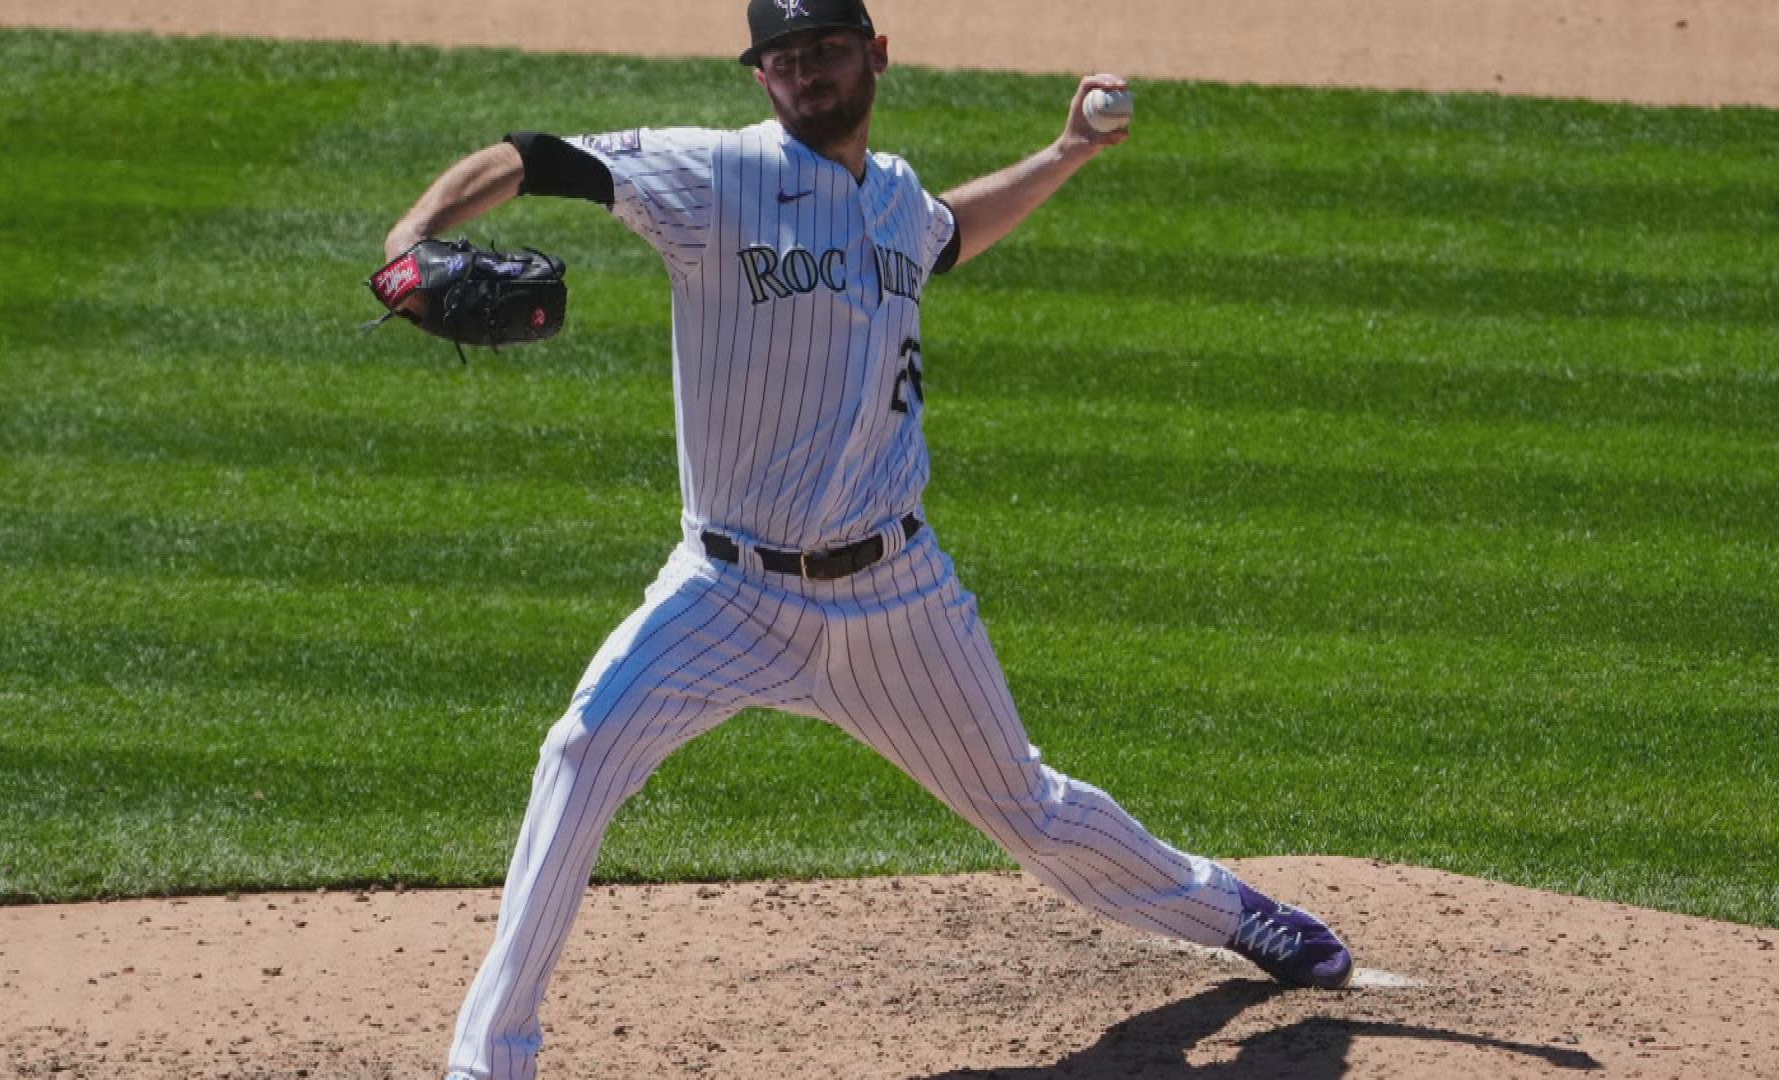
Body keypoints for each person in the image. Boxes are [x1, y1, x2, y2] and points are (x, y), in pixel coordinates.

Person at [384, 3, 1354, 1077]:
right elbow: (526, 159)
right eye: (784, 60)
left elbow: (948, 235)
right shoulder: (711, 178)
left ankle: (1234, 913)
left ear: (875, 56)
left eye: (826, 52)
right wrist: (406, 242)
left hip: (898, 597)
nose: (806, 76)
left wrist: (1066, 152)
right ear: (759, 76)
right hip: (725, 592)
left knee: (1030, 810)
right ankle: (491, 1060)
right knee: (581, 749)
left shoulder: (893, 195)